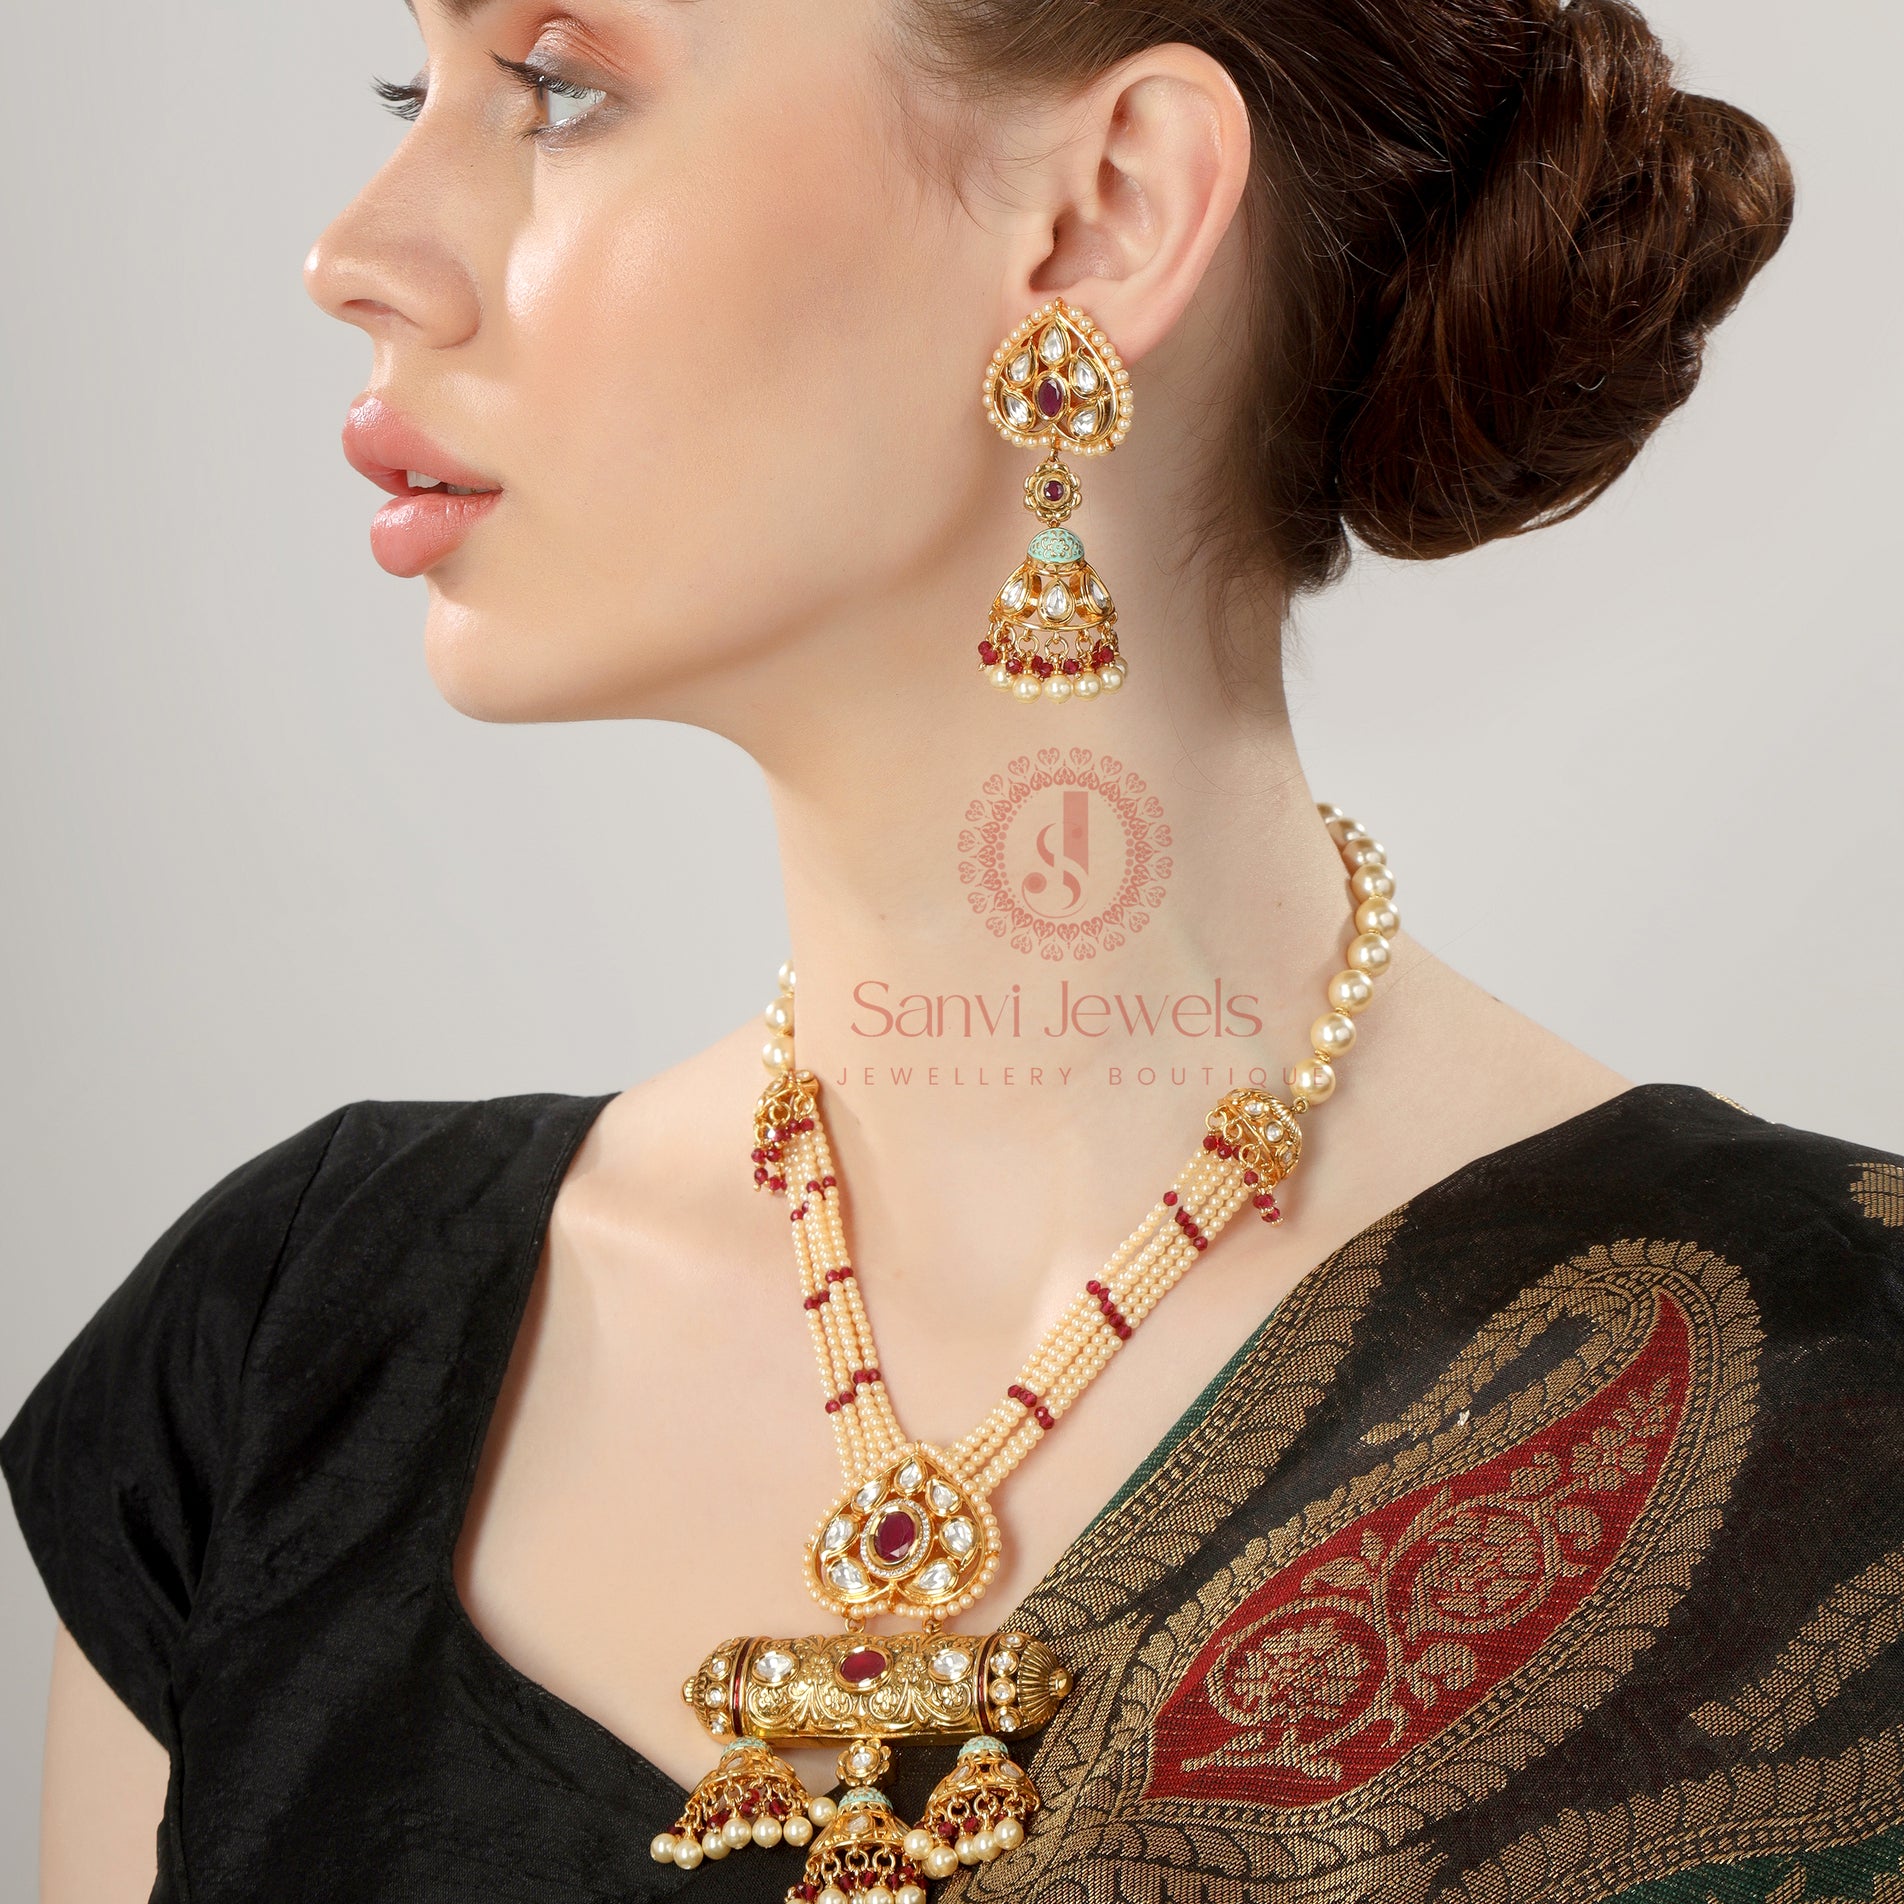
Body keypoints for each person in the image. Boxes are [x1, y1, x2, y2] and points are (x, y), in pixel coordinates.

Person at [8, 0, 1902, 1899]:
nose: (352, 255)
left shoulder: (1850, 1410)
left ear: (1105, 212)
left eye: (558, 88)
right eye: (407, 86)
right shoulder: (289, 1358)